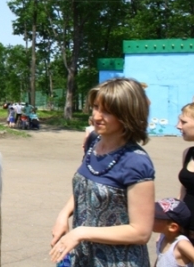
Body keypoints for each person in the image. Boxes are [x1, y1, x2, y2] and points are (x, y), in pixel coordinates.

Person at [50, 77, 155, 266]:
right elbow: (86, 189)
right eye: (96, 107)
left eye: (107, 112)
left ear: (127, 115)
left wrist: (81, 232)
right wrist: (63, 215)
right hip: (83, 257)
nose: (97, 116)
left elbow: (141, 232)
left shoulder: (136, 161)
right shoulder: (93, 141)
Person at [176, 102, 194, 247]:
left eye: (183, 122)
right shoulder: (188, 153)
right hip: (185, 231)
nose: (178, 126)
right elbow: (183, 192)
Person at [153, 197, 194, 267]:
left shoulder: (181, 244)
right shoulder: (162, 237)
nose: (150, 219)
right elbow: (160, 259)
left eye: (156, 218)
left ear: (173, 227)